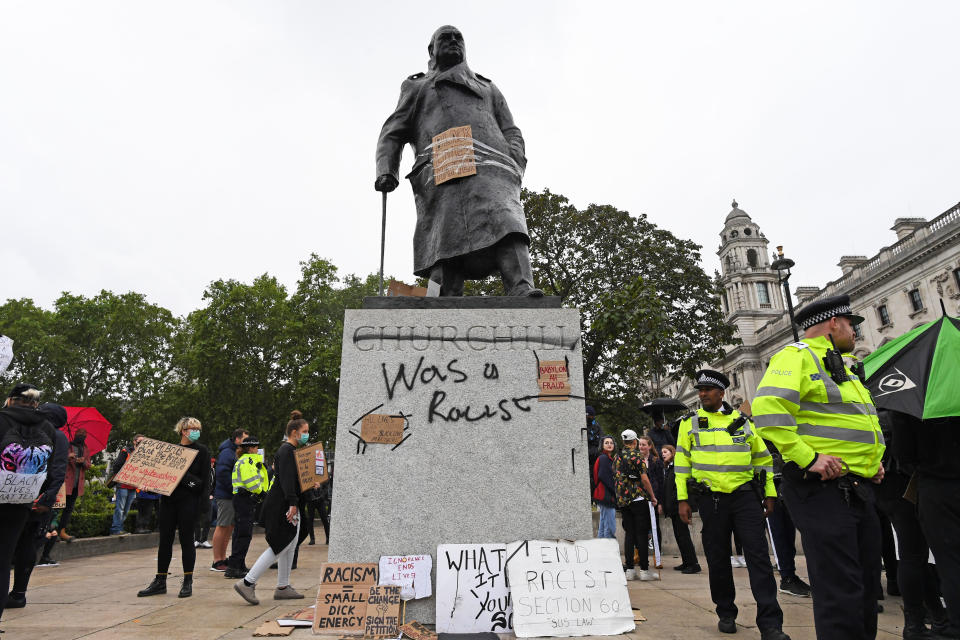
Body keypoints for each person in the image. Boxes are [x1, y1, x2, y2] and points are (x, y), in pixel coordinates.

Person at [752, 295, 885, 640]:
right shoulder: (796, 355)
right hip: (822, 490)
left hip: (858, 487)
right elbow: (767, 411)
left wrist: (871, 464)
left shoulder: (846, 365)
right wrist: (809, 458)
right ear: (833, 324)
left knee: (868, 586)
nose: (856, 331)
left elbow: (851, 424)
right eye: (851, 324)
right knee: (841, 592)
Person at [374, 25, 541, 297]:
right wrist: (386, 169)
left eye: (458, 38)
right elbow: (392, 132)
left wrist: (514, 159)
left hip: (492, 168)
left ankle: (522, 287)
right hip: (445, 163)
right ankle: (443, 296)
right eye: (445, 38)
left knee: (507, 220)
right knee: (445, 235)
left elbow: (510, 129)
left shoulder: (487, 87)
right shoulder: (417, 87)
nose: (453, 41)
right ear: (432, 50)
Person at [675, 370, 788, 639]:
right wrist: (682, 500)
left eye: (707, 390)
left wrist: (769, 493)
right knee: (717, 559)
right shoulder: (688, 424)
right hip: (711, 499)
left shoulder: (743, 422)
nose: (701, 394)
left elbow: (762, 460)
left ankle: (771, 624)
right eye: (700, 390)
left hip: (745, 497)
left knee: (759, 558)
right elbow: (681, 466)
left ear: (721, 393)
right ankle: (725, 611)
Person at [234, 411, 319, 605]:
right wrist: (292, 503)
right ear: (295, 432)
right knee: (281, 544)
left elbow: (294, 479)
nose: (307, 434)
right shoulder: (287, 451)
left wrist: (309, 484)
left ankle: (283, 586)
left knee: (290, 543)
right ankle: (248, 583)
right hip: (283, 505)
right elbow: (287, 480)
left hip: (286, 503)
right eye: (305, 431)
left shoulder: (290, 451)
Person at [890, 410, 960, 639]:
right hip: (934, 484)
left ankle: (947, 625)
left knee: (948, 562)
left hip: (935, 485)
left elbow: (903, 452)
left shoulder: (915, 393)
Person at [1, 387, 65, 625]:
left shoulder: (4, 420)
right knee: (8, 556)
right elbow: (55, 472)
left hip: (13, 499)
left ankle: (18, 593)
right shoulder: (49, 430)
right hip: (25, 501)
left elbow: (56, 472)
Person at [136, 417, 210, 599]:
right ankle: (160, 580)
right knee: (165, 541)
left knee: (187, 541)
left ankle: (187, 581)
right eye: (193, 428)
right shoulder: (171, 451)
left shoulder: (202, 451)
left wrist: (183, 475)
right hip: (169, 501)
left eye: (198, 428)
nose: (196, 431)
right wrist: (150, 484)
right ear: (183, 431)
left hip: (189, 502)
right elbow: (161, 476)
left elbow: (202, 482)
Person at [761, 440, 811, 598]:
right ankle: (787, 577)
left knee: (790, 532)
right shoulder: (754, 424)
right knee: (778, 533)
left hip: (790, 478)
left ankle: (791, 575)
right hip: (771, 482)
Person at [615, 429, 659, 582]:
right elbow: (645, 479)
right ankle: (645, 571)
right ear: (634, 442)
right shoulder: (637, 456)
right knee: (641, 534)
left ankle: (630, 570)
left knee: (629, 535)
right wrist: (652, 496)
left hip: (624, 500)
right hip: (638, 499)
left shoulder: (617, 456)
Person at [225, 436, 269, 579]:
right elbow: (250, 480)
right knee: (243, 534)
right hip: (245, 498)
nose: (257, 450)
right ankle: (234, 567)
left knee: (240, 533)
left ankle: (238, 564)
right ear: (251, 448)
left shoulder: (243, 460)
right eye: (256, 447)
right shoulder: (248, 460)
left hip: (242, 498)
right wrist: (261, 492)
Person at [211, 428, 248, 572]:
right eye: (244, 438)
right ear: (237, 439)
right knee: (222, 526)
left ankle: (222, 557)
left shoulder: (235, 452)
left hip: (231, 495)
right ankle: (217, 560)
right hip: (226, 495)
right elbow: (223, 473)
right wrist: (234, 489)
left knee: (229, 527)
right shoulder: (227, 453)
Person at [661, 444, 700, 573]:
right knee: (679, 535)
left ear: (672, 453)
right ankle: (686, 561)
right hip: (672, 508)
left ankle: (693, 564)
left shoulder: (677, 467)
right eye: (662, 452)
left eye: (666, 452)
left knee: (683, 536)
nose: (663, 454)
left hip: (678, 507)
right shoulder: (669, 469)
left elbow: (678, 488)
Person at [57, 427, 91, 543]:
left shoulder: (85, 448)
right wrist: (68, 456)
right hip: (65, 482)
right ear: (75, 434)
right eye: (80, 433)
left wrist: (83, 462)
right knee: (57, 507)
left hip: (77, 483)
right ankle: (51, 531)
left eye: (84, 434)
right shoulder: (67, 445)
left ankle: (62, 530)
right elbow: (57, 458)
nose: (82, 435)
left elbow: (88, 465)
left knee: (69, 509)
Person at [109, 434, 145, 536]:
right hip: (123, 485)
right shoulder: (126, 451)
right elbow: (116, 466)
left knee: (126, 509)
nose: (142, 443)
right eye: (140, 440)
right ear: (134, 441)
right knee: (120, 508)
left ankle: (119, 528)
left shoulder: (143, 454)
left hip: (133, 486)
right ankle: (116, 529)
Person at [639, 435, 665, 557]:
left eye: (644, 445)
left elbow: (661, 482)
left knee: (655, 527)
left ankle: (657, 554)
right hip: (639, 499)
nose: (641, 447)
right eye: (640, 444)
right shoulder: (636, 460)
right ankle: (640, 554)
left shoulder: (656, 461)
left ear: (649, 446)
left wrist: (660, 502)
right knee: (640, 528)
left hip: (653, 499)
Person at [592, 435, 617, 539]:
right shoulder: (604, 458)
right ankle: (609, 550)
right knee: (610, 527)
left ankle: (601, 551)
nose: (609, 445)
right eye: (606, 443)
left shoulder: (607, 458)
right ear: (602, 446)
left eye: (611, 443)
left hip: (603, 495)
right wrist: (615, 491)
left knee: (603, 525)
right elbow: (603, 476)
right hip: (606, 495)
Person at [194, 457, 215, 549]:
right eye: (210, 463)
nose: (211, 465)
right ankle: (197, 540)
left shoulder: (213, 471)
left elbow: (215, 484)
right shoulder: (199, 471)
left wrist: (212, 494)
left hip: (208, 497)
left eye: (212, 463)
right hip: (198, 497)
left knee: (208, 519)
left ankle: (204, 539)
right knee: (197, 519)